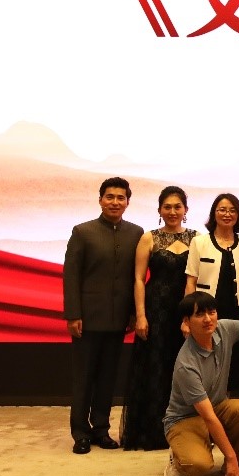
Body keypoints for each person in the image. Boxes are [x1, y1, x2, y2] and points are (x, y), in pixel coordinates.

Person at [62, 177, 143, 454]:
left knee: (108, 378)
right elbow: (71, 276)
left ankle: (100, 429)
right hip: (87, 319)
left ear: (128, 202)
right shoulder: (83, 232)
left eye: (121, 198)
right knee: (83, 378)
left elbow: (135, 277)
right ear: (100, 200)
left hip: (118, 320)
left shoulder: (136, 233)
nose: (115, 202)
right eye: (110, 197)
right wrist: (73, 314)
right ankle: (80, 433)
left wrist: (133, 313)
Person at [122, 186, 196, 450]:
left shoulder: (197, 239)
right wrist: (140, 315)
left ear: (185, 210)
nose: (172, 211)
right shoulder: (148, 238)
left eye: (177, 207)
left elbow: (196, 280)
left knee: (183, 369)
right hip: (155, 312)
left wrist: (190, 316)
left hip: (184, 311)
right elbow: (138, 279)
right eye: (167, 207)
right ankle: (152, 432)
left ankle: (185, 431)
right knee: (154, 369)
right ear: (160, 210)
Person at [162, 293, 239, 476]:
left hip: (216, 407)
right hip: (185, 418)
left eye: (211, 312)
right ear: (186, 322)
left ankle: (236, 463)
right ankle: (178, 457)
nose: (208, 319)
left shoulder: (224, 329)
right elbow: (208, 417)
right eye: (199, 315)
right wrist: (229, 455)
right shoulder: (186, 364)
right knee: (197, 467)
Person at [185, 193, 239, 400]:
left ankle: (226, 408)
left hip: (236, 314)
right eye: (222, 210)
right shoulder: (199, 242)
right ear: (214, 213)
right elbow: (190, 282)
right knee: (206, 361)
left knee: (233, 364)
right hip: (206, 315)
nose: (227, 214)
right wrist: (187, 318)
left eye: (232, 210)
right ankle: (206, 410)